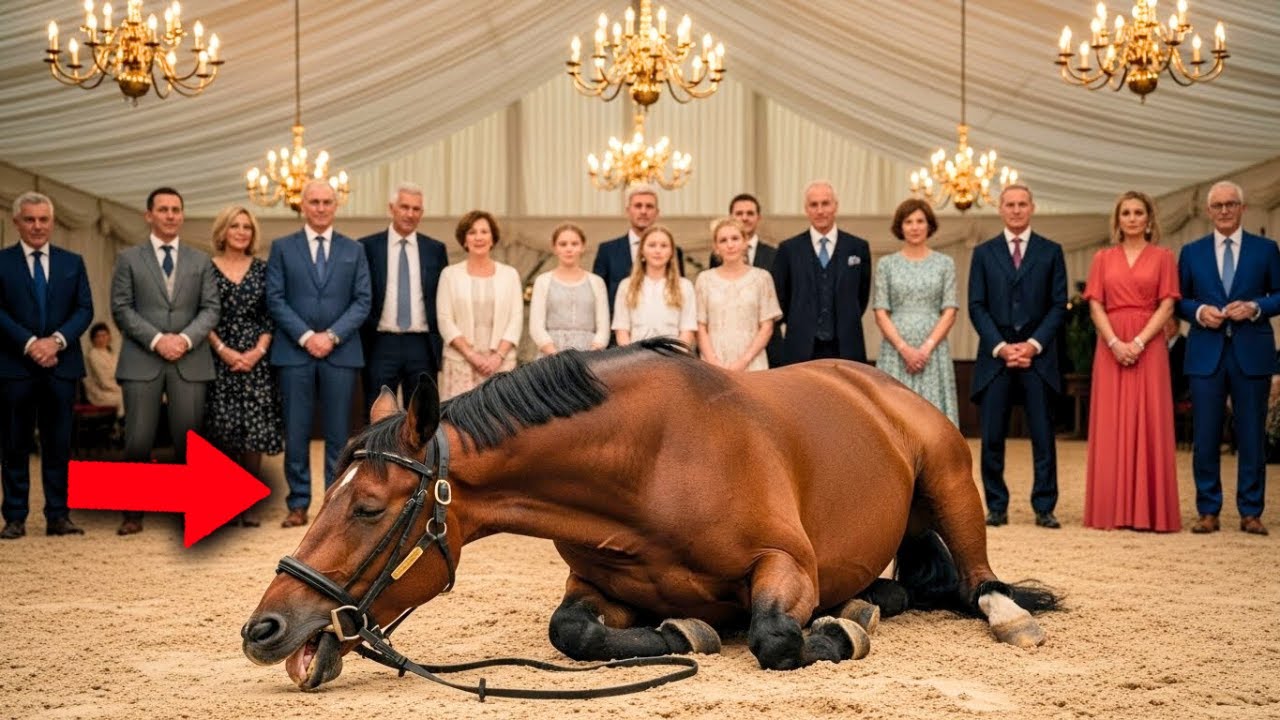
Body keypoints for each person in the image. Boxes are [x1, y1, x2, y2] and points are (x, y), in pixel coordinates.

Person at [111, 187, 220, 536]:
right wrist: (158, 341)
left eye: (176, 209)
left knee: (188, 440)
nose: (171, 215)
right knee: (138, 439)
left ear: (182, 215)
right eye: (163, 209)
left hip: (190, 359)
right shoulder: (128, 258)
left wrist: (184, 339)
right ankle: (133, 514)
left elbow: (211, 308)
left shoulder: (200, 260)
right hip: (142, 359)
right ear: (149, 215)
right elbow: (121, 308)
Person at [1177, 180, 1280, 535]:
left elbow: (1279, 295)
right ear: (1209, 211)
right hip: (1206, 353)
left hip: (1252, 353)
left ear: (1242, 208)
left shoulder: (1266, 249)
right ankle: (1208, 511)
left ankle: (1251, 511)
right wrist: (1201, 310)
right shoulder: (1191, 252)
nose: (1224, 211)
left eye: (1230, 204)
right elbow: (1180, 300)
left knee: (1252, 435)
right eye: (1218, 205)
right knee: (1205, 436)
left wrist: (1254, 307)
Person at [266, 180, 371, 528]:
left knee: (339, 435)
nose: (321, 207)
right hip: (295, 353)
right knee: (295, 432)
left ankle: (333, 502)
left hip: (340, 353)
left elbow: (362, 301)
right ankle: (297, 504)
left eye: (327, 201)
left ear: (336, 205)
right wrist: (308, 336)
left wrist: (332, 336)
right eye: (314, 202)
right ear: (303, 206)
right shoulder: (282, 248)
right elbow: (275, 298)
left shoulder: (353, 250)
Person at [968, 184, 1068, 529]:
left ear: (1032, 207)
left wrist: (1032, 345)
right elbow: (976, 305)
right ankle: (996, 506)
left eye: (1022, 204)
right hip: (996, 360)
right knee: (992, 437)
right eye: (1009, 204)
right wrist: (1001, 347)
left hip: (1037, 360)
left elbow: (1058, 305)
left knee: (1042, 436)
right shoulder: (983, 253)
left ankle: (1045, 506)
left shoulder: (1051, 251)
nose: (1015, 210)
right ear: (1000, 209)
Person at [1082, 191, 1180, 532]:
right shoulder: (1102, 258)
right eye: (1126, 212)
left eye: (1139, 212)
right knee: (1111, 423)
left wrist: (1138, 342)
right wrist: (1113, 341)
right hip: (1110, 346)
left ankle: (1149, 512)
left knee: (1150, 420)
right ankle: (1110, 510)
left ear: (1149, 219)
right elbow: (1095, 305)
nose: (1133, 218)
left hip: (1149, 346)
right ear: (1118, 220)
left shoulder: (1164, 257)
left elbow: (1167, 305)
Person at [0, 192, 93, 539]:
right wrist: (29, 344)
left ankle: (58, 516)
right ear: (17, 222)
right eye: (30, 219)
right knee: (14, 444)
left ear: (52, 222)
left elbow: (85, 309)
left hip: (61, 365)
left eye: (43, 219)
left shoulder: (73, 262)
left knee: (58, 444)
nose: (37, 226)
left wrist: (55, 342)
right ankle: (14, 517)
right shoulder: (2, 262)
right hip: (14, 366)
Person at [204, 206, 283, 528]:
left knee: (254, 432)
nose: (241, 232)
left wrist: (256, 352)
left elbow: (270, 315)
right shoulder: (205, 270)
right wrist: (223, 350)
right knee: (224, 432)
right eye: (234, 226)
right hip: (217, 357)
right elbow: (200, 314)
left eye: (247, 227)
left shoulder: (264, 269)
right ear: (222, 231)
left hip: (257, 360)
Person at [358, 183, 448, 407]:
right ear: (391, 208)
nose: (410, 214)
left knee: (421, 416)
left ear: (422, 213)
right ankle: (377, 445)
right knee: (377, 412)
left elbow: (442, 298)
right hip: (380, 342)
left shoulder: (435, 249)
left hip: (422, 345)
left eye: (416, 209)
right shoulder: (366, 247)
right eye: (404, 207)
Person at [872, 198, 959, 426]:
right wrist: (904, 349)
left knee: (933, 419)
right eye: (908, 221)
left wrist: (926, 348)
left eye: (920, 221)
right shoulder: (886, 265)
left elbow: (950, 310)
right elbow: (880, 311)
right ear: (900, 227)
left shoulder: (944, 263)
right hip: (896, 351)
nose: (915, 226)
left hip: (933, 351)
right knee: (895, 416)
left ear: (929, 225)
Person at [772, 181, 872, 364]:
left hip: (846, 347)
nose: (820, 210)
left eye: (825, 203)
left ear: (836, 206)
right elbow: (781, 298)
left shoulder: (858, 247)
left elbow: (861, 297)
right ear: (806, 209)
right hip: (801, 347)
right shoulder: (788, 249)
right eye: (814, 205)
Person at [436, 210, 523, 400]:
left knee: (500, 422)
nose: (478, 237)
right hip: (460, 362)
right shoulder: (450, 275)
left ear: (493, 238)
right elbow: (445, 320)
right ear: (464, 240)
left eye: (484, 232)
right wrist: (471, 355)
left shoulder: (510, 275)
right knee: (459, 422)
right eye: (472, 232)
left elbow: (516, 318)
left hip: (500, 363)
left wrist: (497, 356)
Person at [696, 217, 781, 371]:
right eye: (723, 240)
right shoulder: (704, 279)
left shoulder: (762, 278)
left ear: (745, 242)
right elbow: (701, 326)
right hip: (713, 365)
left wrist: (743, 361)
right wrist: (713, 362)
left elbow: (767, 326)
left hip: (753, 364)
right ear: (716, 247)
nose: (730, 245)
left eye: (735, 238)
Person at [593, 183, 685, 317]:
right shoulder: (607, 251)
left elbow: (677, 290)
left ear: (657, 212)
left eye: (649, 206)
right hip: (617, 331)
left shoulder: (674, 251)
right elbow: (598, 297)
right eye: (638, 206)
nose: (643, 211)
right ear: (628, 211)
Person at [712, 193, 782, 366]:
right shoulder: (715, 260)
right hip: (721, 351)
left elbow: (782, 295)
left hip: (765, 346)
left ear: (758, 217)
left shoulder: (775, 254)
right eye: (739, 213)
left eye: (750, 213)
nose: (745, 217)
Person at [528, 223, 610, 355]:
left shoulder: (596, 282)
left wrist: (589, 358)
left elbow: (603, 328)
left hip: (588, 357)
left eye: (574, 244)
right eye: (563, 244)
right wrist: (557, 357)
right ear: (554, 248)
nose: (569, 249)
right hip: (550, 357)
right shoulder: (543, 281)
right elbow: (536, 327)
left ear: (582, 247)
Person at [612, 226, 696, 346]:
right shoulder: (626, 285)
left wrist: (675, 358)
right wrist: (632, 358)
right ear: (641, 250)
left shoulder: (685, 286)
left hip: (673, 357)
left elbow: (687, 330)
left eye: (664, 246)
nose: (658, 251)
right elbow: (621, 330)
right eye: (652, 245)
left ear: (672, 252)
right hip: (635, 357)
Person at [84, 322, 124, 416]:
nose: (102, 339)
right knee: (127, 397)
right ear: (93, 339)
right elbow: (103, 382)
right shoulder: (93, 354)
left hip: (115, 389)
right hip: (100, 392)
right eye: (98, 336)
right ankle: (123, 425)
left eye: (104, 335)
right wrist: (122, 388)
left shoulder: (111, 354)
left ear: (109, 336)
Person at [1163, 316, 1189, 404]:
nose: (1166, 328)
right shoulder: (1159, 347)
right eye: (1163, 325)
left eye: (1169, 325)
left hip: (1180, 397)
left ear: (1177, 326)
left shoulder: (1186, 345)